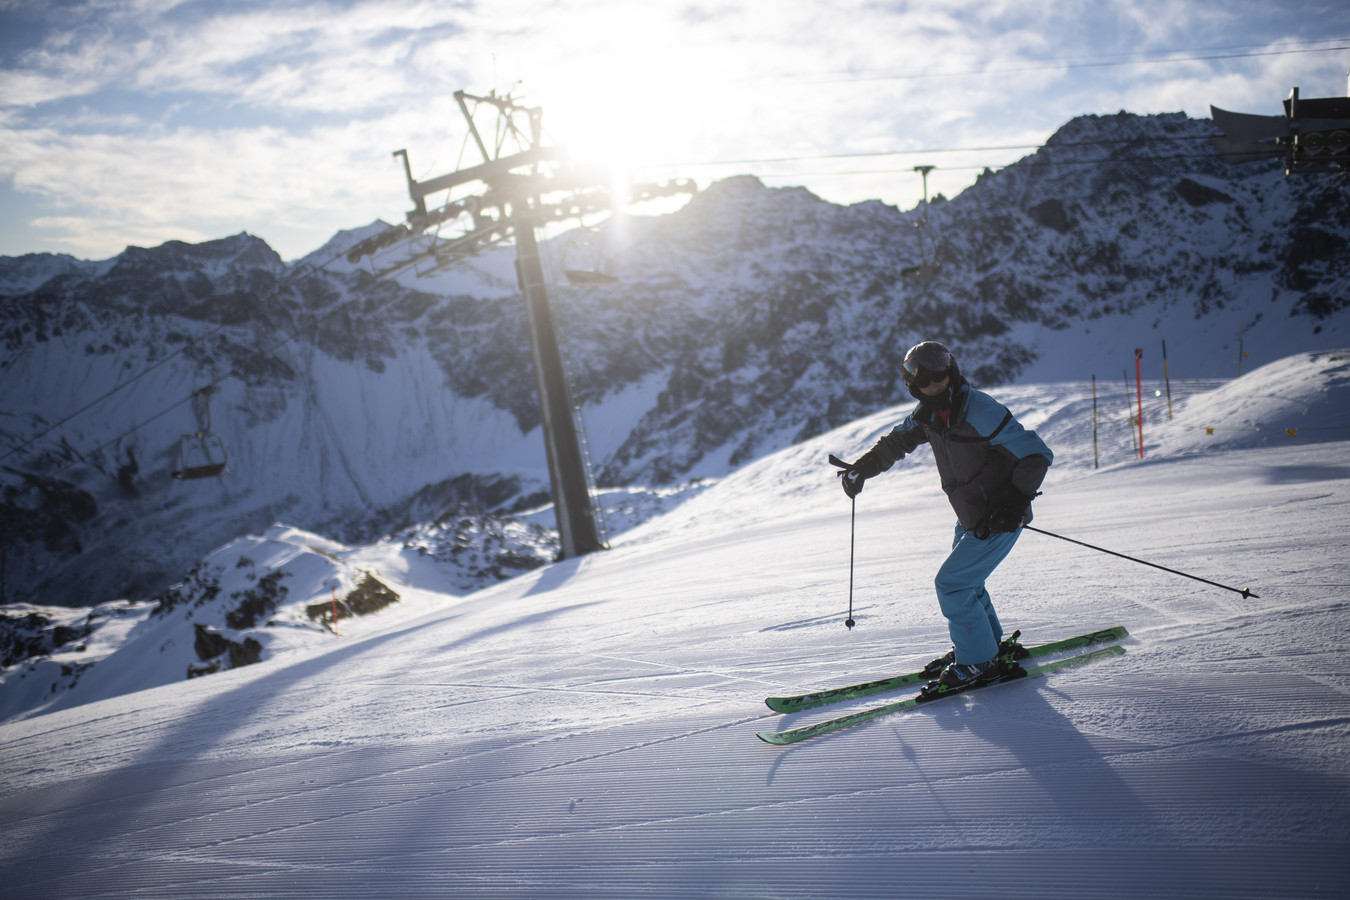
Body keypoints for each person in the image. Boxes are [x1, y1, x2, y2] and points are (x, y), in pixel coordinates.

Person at [837, 341, 1054, 688]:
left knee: (952, 584)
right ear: (913, 386)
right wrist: (862, 469)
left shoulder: (979, 409)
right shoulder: (927, 416)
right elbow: (896, 443)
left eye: (939, 373)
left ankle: (979, 661)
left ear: (951, 371)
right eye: (924, 380)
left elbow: (1036, 455)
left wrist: (1013, 505)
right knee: (968, 583)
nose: (934, 383)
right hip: (971, 517)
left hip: (999, 518)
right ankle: (986, 647)